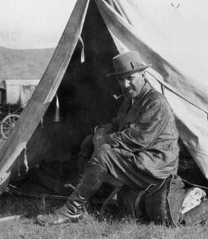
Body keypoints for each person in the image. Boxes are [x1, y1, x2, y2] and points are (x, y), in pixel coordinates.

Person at [36, 51, 180, 226]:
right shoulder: (130, 100)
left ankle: (71, 210)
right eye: (121, 79)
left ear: (142, 74)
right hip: (139, 159)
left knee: (104, 154)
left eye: (130, 78)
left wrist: (105, 140)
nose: (125, 84)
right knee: (89, 141)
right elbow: (116, 124)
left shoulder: (155, 102)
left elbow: (138, 139)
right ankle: (83, 199)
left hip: (155, 164)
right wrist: (99, 132)